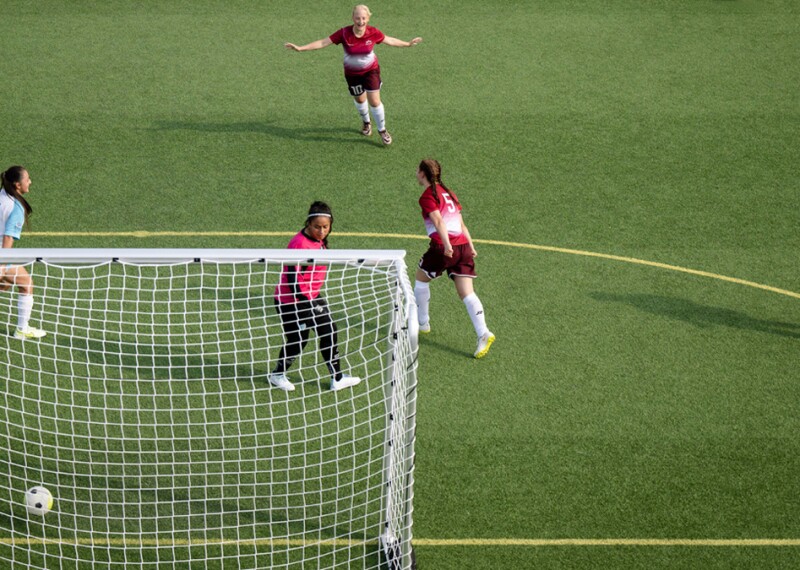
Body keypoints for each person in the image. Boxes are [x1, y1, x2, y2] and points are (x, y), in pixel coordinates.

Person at [284, 4, 422, 145]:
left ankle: (382, 130)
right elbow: (323, 42)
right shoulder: (344, 33)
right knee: (360, 100)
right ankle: (366, 123)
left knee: (374, 101)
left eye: (363, 18)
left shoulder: (373, 32)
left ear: (368, 18)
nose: (360, 21)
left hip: (371, 71)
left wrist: (408, 44)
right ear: (352, 18)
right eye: (357, 18)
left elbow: (390, 40)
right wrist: (301, 48)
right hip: (352, 74)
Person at [269, 201, 362, 392]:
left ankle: (335, 378)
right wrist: (307, 304)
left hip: (310, 295)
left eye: (325, 227)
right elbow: (292, 280)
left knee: (305, 338)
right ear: (308, 224)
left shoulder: (317, 240)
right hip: (292, 300)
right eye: (317, 227)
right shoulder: (299, 245)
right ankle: (278, 375)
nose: (321, 231)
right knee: (314, 334)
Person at [413, 159, 495, 358]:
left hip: (444, 247)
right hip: (464, 247)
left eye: (418, 170)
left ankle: (422, 323)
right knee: (467, 293)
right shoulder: (449, 193)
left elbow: (439, 221)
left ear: (423, 174)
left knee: (420, 280)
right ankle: (483, 333)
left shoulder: (427, 196)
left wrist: (447, 246)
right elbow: (462, 224)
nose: (416, 173)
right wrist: (471, 246)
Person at [0, 166, 46, 340]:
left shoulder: (2, 194)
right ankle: (22, 329)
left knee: (5, 285)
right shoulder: (16, 208)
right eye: (27, 179)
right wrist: (2, 267)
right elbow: (8, 240)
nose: (30, 182)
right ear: (18, 185)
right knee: (26, 283)